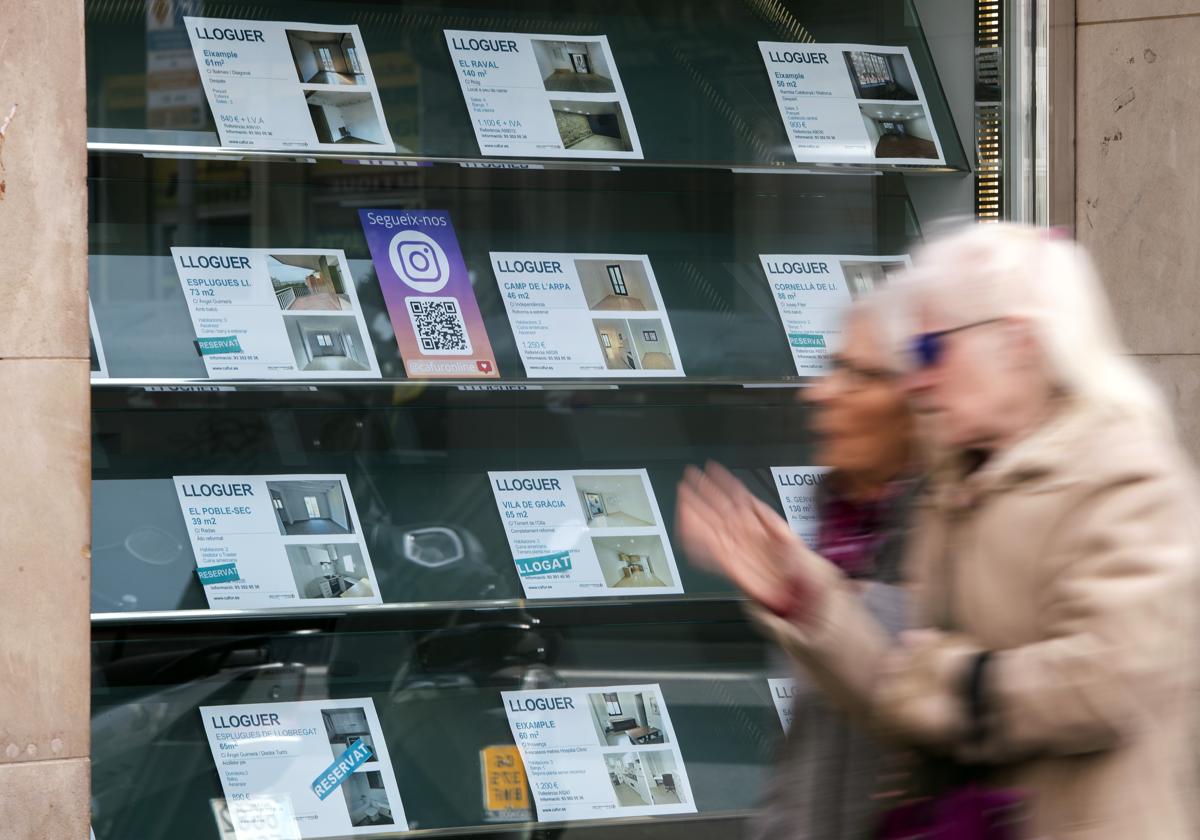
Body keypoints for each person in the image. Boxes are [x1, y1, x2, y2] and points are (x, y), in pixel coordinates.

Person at [679, 223, 1199, 839]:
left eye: (930, 351)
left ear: (1017, 342)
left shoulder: (1125, 472)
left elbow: (1116, 680)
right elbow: (903, 698)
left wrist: (960, 682)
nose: (917, 381)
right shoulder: (962, 482)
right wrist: (805, 598)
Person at [749, 297, 917, 840]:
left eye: (856, 373)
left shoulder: (957, 533)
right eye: (831, 367)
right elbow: (803, 754)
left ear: (920, 400)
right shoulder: (840, 522)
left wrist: (823, 604)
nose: (818, 392)